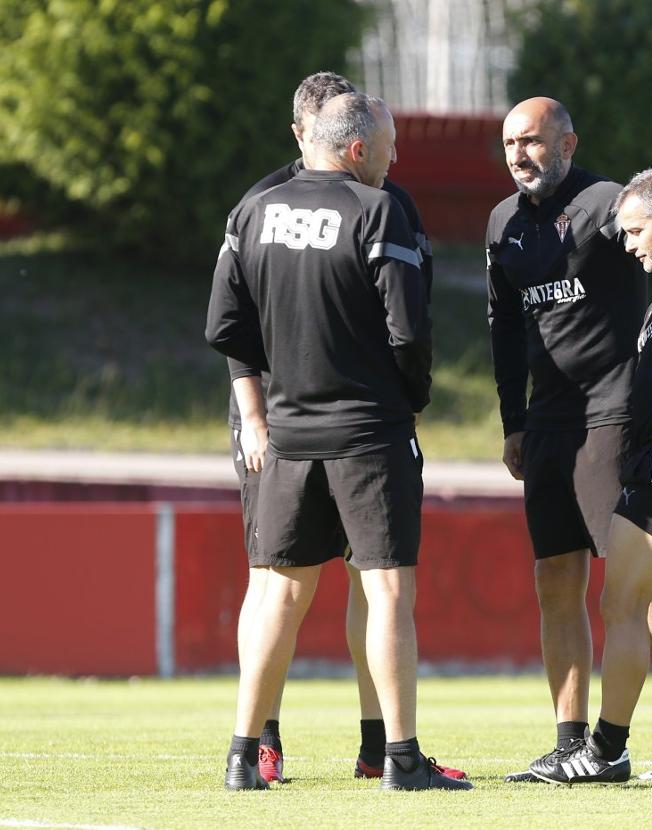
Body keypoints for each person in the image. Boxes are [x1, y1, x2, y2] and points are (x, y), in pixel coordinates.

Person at [206, 92, 471, 792]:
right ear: (356, 149)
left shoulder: (253, 209)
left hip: (287, 436)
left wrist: (266, 411)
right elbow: (409, 331)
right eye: (387, 144)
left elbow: (227, 327)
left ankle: (242, 755)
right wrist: (410, 397)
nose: (395, 156)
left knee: (277, 597)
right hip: (368, 434)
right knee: (386, 593)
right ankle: (401, 758)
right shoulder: (376, 210)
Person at [486, 97, 652, 782]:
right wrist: (514, 419)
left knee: (641, 591)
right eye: (510, 142)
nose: (520, 154)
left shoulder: (603, 203)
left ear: (567, 143)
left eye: (534, 140)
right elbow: (504, 330)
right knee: (555, 582)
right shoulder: (501, 224)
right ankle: (573, 739)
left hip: (613, 418)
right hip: (546, 425)